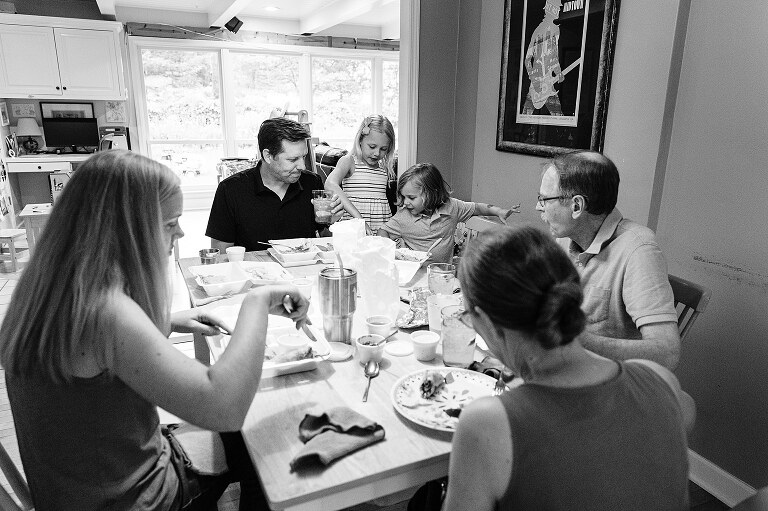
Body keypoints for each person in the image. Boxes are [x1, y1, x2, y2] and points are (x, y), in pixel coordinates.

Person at [0, 150, 311, 510]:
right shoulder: (106, 311)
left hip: (75, 490)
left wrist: (162, 323)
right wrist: (256, 302)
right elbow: (224, 407)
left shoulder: (46, 292)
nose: (179, 232)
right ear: (125, 228)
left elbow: (88, 353)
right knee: (260, 447)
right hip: (137, 500)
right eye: (169, 223)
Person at [442, 225, 694, 511]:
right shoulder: (661, 381)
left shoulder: (486, 423)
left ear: (486, 321)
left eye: (466, 316)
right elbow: (686, 412)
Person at [536, 150, 681, 369]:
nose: (538, 207)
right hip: (568, 366)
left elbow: (668, 353)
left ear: (576, 206)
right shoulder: (568, 237)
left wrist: (573, 340)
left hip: (611, 382)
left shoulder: (639, 250)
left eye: (544, 199)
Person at [206, 117, 341, 252]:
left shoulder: (312, 182)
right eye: (293, 159)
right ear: (268, 156)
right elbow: (221, 254)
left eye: (303, 157)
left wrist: (331, 222)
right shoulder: (230, 190)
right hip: (253, 270)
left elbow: (324, 241)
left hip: (303, 270)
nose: (302, 166)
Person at [378, 162, 519, 264]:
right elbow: (382, 231)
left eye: (411, 197)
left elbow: (478, 208)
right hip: (415, 274)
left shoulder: (451, 207)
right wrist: (388, 247)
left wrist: (499, 211)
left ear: (431, 193)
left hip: (444, 275)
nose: (406, 202)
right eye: (403, 197)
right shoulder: (403, 217)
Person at [324, 115, 397, 234]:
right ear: (360, 140)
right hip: (353, 230)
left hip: (378, 231)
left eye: (383, 149)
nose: (377, 153)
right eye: (372, 147)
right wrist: (359, 220)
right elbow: (330, 184)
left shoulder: (384, 168)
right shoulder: (349, 161)